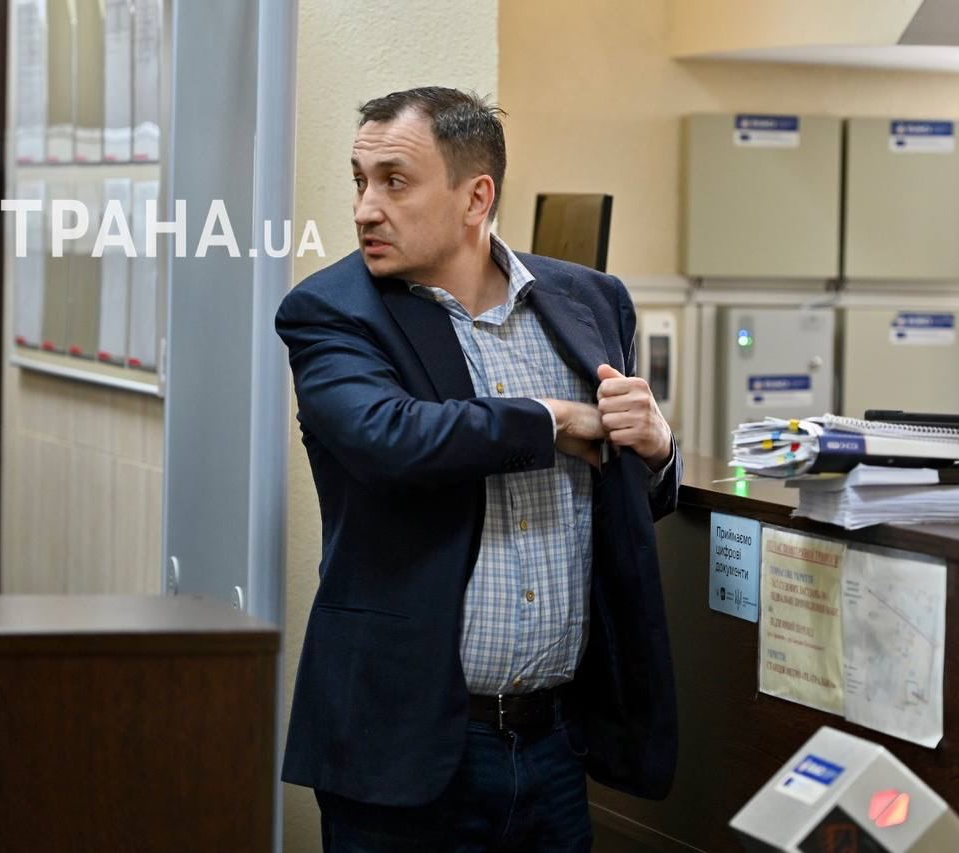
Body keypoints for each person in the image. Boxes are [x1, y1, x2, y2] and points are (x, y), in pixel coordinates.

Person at [276, 86, 682, 851]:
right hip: (409, 750)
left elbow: (622, 489)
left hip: (555, 744)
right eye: (360, 181)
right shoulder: (331, 311)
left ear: (476, 197)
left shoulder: (593, 301)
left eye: (394, 182)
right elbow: (391, 438)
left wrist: (657, 447)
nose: (365, 208)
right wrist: (553, 418)